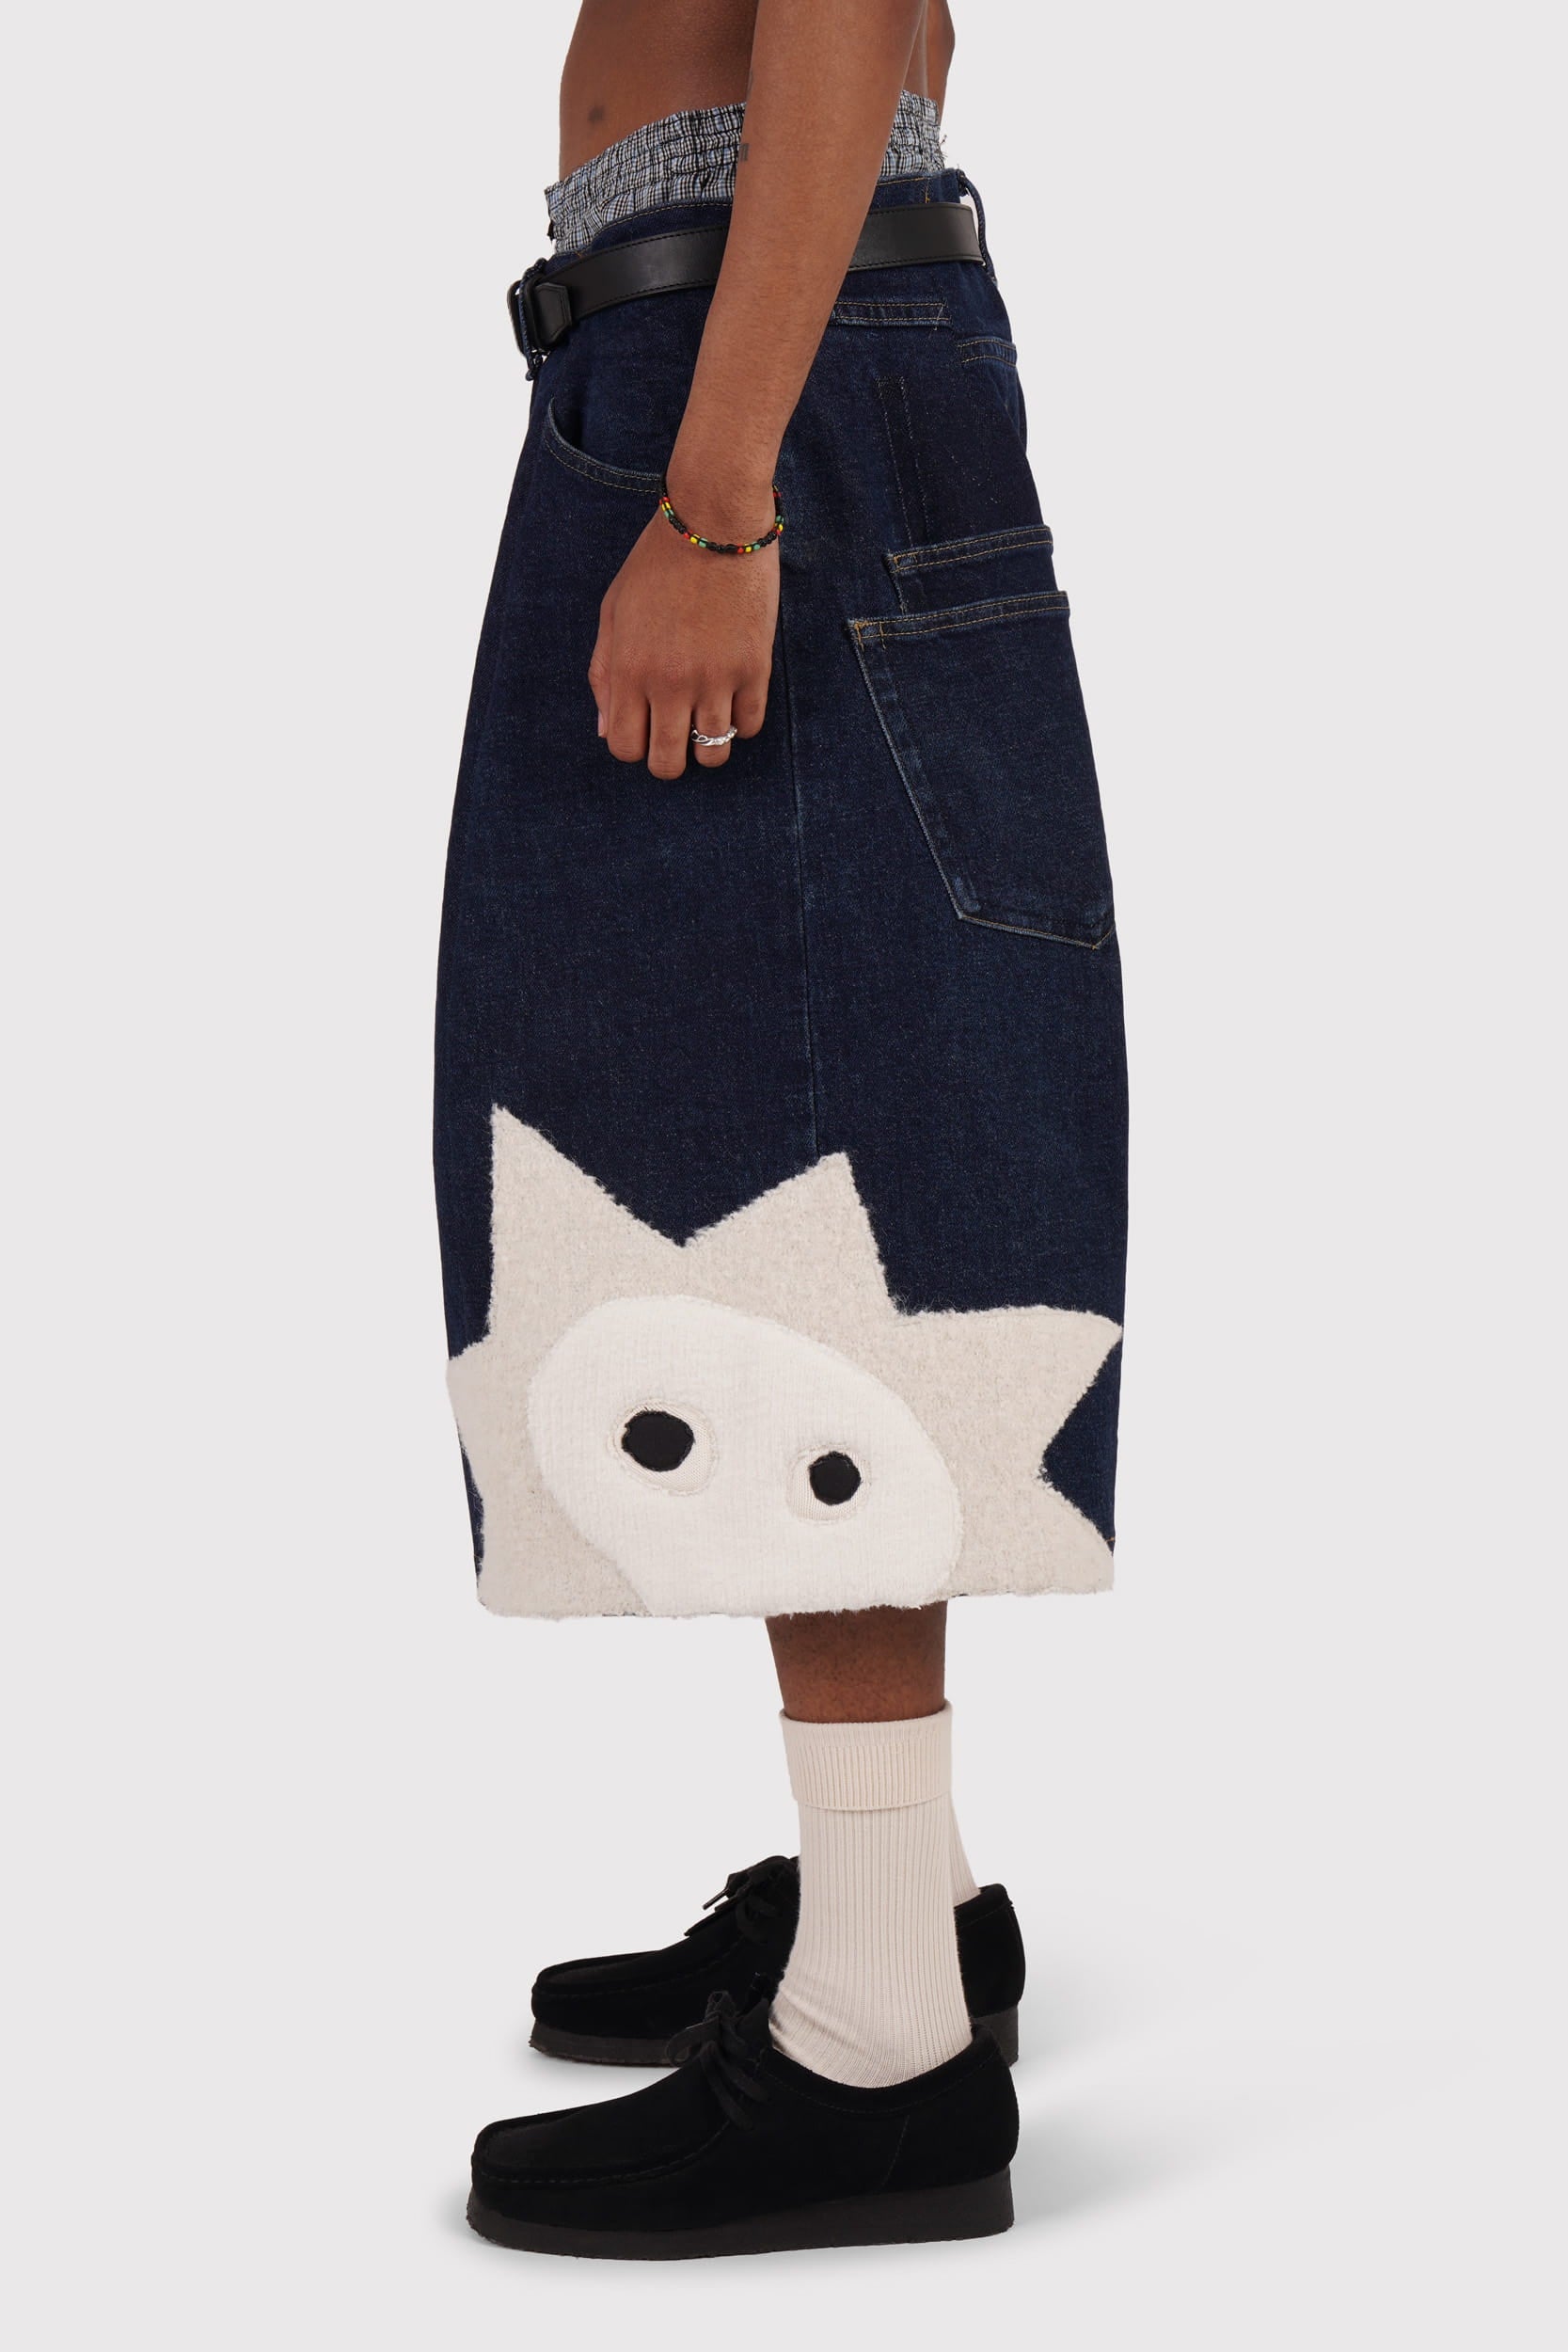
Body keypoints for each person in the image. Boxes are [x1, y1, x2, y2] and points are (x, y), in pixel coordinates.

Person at [435, 0, 1127, 2259]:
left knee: (803, 1173)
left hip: (763, 374)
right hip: (754, 337)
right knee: (737, 1121)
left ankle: (880, 2049)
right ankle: (895, 1894)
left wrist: (722, 487)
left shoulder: (746, 435)